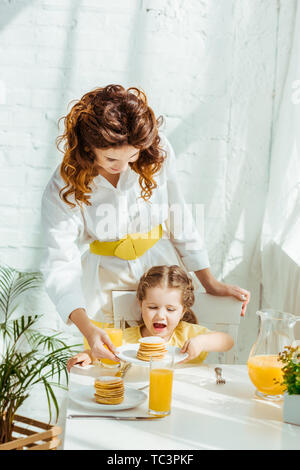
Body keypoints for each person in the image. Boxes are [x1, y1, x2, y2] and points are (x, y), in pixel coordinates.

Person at [41, 84, 250, 364]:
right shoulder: (63, 184)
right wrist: (88, 330)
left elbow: (179, 216)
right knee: (112, 365)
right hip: (104, 282)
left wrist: (208, 282)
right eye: (111, 158)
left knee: (165, 361)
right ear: (88, 148)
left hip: (159, 270)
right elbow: (60, 262)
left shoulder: (158, 150)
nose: (123, 166)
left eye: (133, 156)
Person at [67, 265, 234, 371]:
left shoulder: (188, 335)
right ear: (140, 304)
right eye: (153, 307)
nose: (160, 315)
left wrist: (201, 342)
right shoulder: (128, 339)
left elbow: (227, 341)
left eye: (170, 309)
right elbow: (104, 352)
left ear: (183, 311)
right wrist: (89, 355)